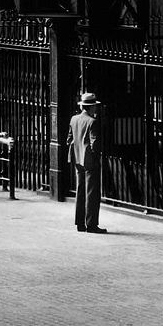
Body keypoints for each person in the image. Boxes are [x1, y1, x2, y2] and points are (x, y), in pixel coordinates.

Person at [68, 90, 104, 234]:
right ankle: (91, 224)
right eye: (94, 106)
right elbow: (94, 143)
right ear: (91, 107)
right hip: (89, 160)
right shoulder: (92, 121)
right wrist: (96, 156)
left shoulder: (74, 119)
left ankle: (80, 223)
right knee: (92, 193)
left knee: (80, 190)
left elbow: (69, 139)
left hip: (77, 159)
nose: (96, 108)